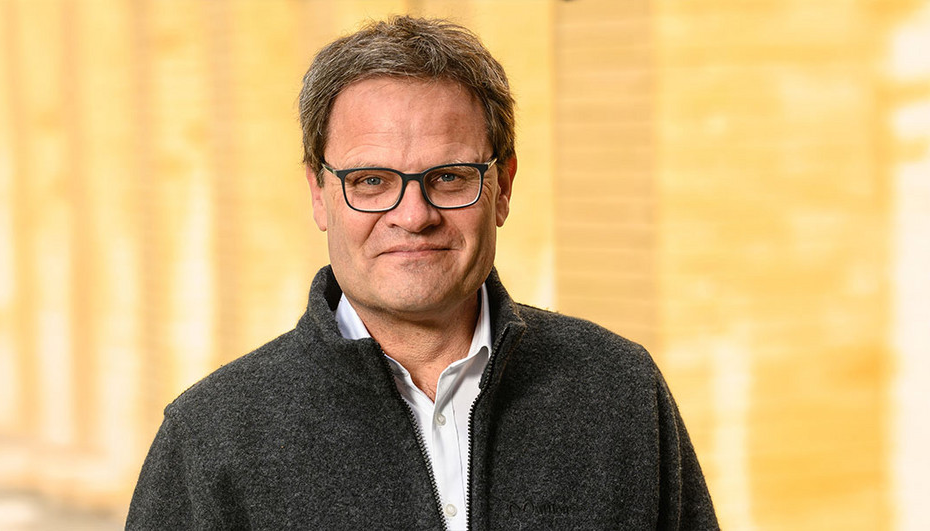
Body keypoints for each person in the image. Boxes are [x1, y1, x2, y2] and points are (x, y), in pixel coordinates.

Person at [126, 15, 718, 530]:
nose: (413, 216)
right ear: (318, 194)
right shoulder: (212, 438)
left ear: (503, 187)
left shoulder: (619, 390)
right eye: (371, 181)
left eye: (450, 177)